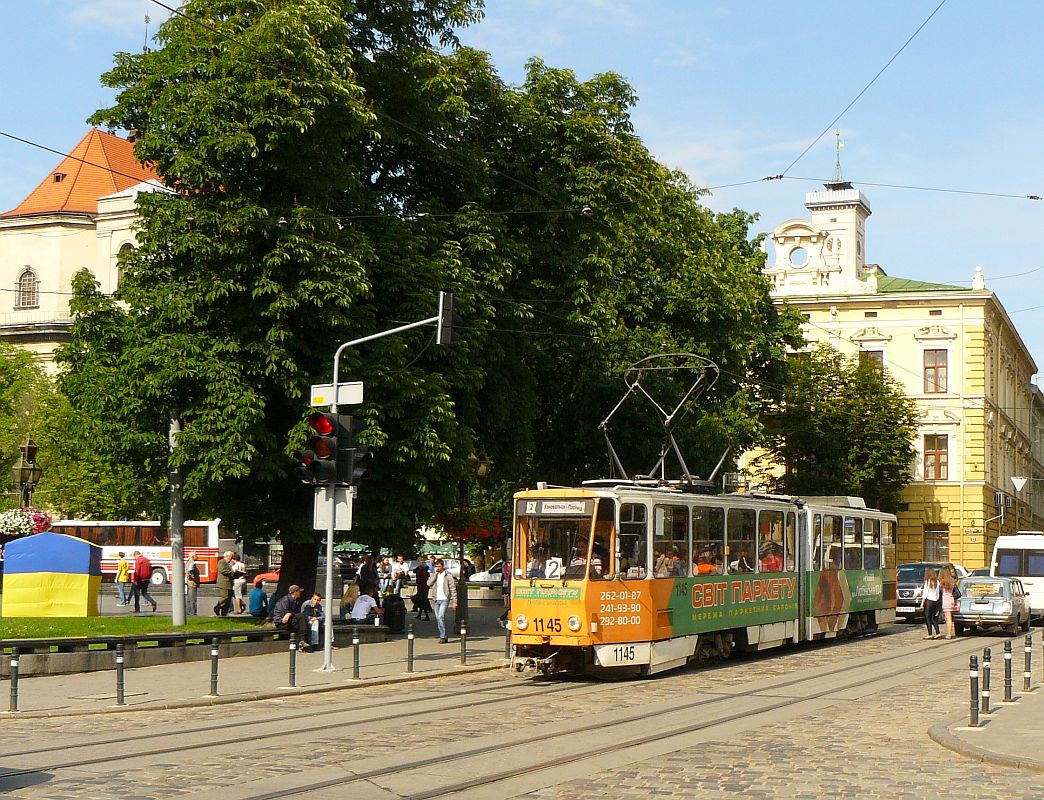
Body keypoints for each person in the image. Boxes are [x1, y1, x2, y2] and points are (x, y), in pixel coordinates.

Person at [428, 558, 458, 643]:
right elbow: (428, 583)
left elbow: (452, 588)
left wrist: (454, 601)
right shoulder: (434, 574)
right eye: (436, 566)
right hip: (436, 599)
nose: (437, 567)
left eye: (439, 566)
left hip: (444, 598)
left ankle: (442, 636)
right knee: (438, 618)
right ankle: (443, 635)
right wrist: (435, 574)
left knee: (441, 616)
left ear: (442, 566)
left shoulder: (448, 575)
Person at [920, 567, 942, 639]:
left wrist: (922, 603)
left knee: (927, 618)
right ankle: (938, 632)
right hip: (935, 601)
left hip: (929, 601)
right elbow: (938, 593)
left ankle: (930, 634)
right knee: (933, 618)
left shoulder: (928, 582)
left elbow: (925, 593)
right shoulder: (937, 582)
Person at [214, 551, 235, 617]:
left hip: (230, 583)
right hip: (223, 583)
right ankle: (217, 607)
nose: (231, 559)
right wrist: (232, 572)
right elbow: (222, 570)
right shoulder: (221, 562)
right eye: (231, 557)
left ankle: (224, 613)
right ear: (227, 556)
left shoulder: (229, 563)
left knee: (228, 599)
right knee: (225, 596)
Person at [940, 570, 958, 640]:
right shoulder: (952, 581)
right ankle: (949, 633)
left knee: (948, 618)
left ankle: (949, 634)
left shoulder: (943, 581)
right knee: (949, 617)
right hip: (951, 599)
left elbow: (941, 589)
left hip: (946, 600)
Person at [498, 558, 512, 628]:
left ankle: (503, 619)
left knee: (512, 607)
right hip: (511, 589)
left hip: (511, 588)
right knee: (512, 607)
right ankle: (502, 618)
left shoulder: (512, 568)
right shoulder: (507, 568)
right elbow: (507, 577)